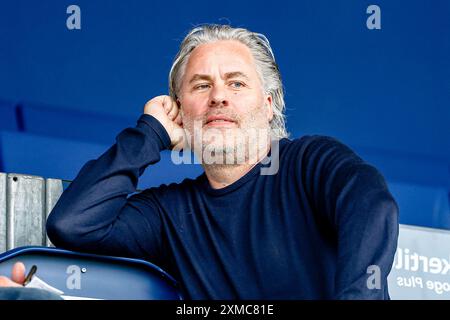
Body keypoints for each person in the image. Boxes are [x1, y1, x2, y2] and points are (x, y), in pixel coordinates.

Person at [0, 24, 399, 299]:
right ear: (179, 109)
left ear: (269, 103)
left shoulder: (308, 162)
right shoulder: (170, 213)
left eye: (236, 83)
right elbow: (72, 224)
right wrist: (150, 134)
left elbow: (371, 206)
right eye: (201, 85)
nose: (218, 97)